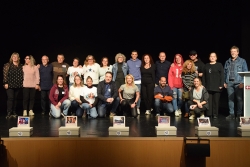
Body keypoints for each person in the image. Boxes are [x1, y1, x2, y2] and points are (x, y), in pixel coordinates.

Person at [224, 46, 248, 119]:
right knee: (230, 99)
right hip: (229, 83)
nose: (233, 53)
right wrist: (225, 82)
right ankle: (231, 114)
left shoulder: (242, 61)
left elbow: (246, 72)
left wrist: (243, 83)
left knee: (239, 99)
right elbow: (225, 73)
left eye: (234, 51)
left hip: (238, 83)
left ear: (238, 52)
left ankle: (239, 115)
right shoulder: (227, 61)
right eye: (232, 51)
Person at [203, 52, 224, 119]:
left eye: (214, 56)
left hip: (217, 86)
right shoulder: (206, 65)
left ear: (216, 58)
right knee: (209, 101)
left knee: (216, 102)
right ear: (209, 58)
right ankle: (209, 114)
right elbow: (204, 76)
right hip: (208, 86)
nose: (212, 57)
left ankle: (215, 114)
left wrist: (221, 84)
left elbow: (222, 75)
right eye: (211, 56)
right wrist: (203, 85)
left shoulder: (219, 65)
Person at [3, 52, 23, 118]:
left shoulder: (21, 66)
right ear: (11, 58)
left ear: (18, 58)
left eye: (16, 56)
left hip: (18, 85)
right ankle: (9, 112)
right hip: (10, 85)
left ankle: (14, 111)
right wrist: (5, 83)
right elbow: (5, 75)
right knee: (10, 98)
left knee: (15, 98)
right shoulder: (8, 65)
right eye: (13, 57)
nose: (14, 58)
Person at [127, 50, 141, 114]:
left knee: (138, 95)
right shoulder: (128, 62)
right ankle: (131, 108)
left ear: (137, 55)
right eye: (133, 54)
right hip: (130, 81)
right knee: (130, 95)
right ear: (131, 55)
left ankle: (137, 107)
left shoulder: (140, 61)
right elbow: (126, 71)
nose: (134, 55)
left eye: (135, 54)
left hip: (138, 81)